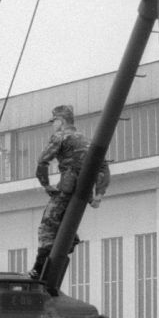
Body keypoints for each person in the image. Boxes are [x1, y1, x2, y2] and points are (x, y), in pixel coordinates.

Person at [30, 105, 110, 282]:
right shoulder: (87, 140)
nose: (53, 126)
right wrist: (99, 195)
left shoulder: (60, 136)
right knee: (64, 224)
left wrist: (46, 185)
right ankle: (70, 240)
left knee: (47, 227)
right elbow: (103, 167)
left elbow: (42, 162)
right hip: (84, 192)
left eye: (54, 122)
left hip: (67, 187)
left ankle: (37, 270)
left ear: (61, 121)